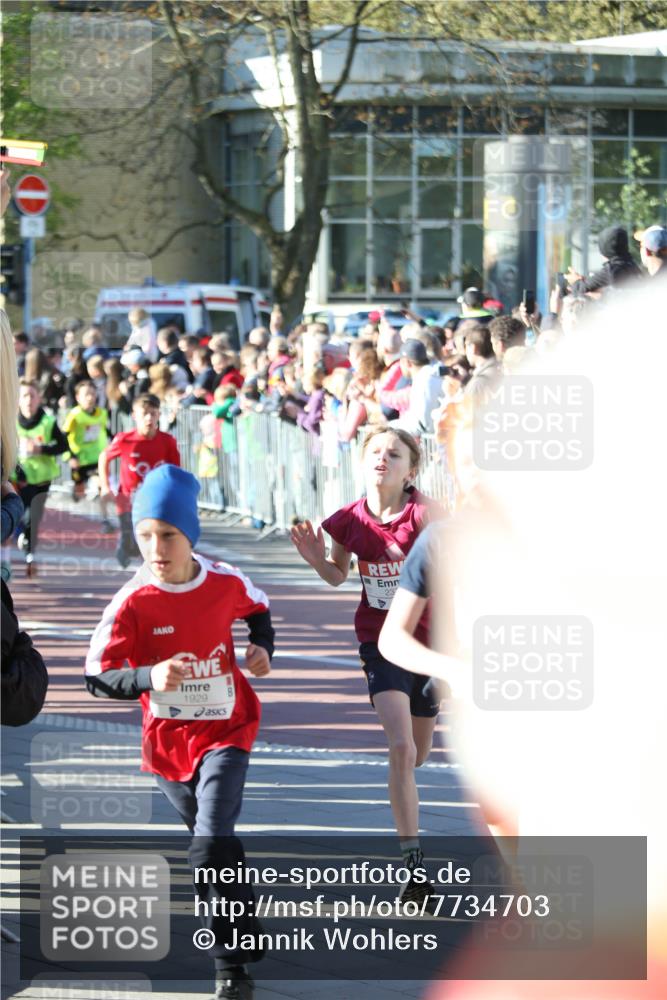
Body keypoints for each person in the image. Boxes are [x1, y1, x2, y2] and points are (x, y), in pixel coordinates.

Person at [85, 464, 274, 1000]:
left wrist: (262, 648)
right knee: (216, 845)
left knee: (208, 843)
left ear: (190, 534)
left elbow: (259, 609)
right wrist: (148, 676)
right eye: (144, 535)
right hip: (170, 745)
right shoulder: (132, 600)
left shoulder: (222, 580)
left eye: (167, 535)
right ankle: (242, 929)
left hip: (228, 729)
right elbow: (96, 674)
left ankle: (227, 967)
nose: (155, 548)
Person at [290, 427, 442, 905]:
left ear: (410, 469)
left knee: (418, 755)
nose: (383, 458)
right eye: (374, 451)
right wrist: (318, 560)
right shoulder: (347, 521)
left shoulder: (427, 516)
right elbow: (338, 575)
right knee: (399, 749)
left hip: (429, 646)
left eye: (393, 453)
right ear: (361, 462)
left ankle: (411, 777)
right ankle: (414, 869)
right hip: (379, 643)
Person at [98, 393, 180, 567]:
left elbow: (175, 471)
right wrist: (105, 486)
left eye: (153, 413)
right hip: (127, 498)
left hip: (155, 499)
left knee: (150, 538)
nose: (149, 418)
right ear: (135, 416)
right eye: (145, 414)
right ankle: (125, 547)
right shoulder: (124, 440)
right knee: (132, 540)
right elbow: (104, 457)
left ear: (159, 414)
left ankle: (150, 572)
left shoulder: (167, 441)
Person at [13, 381, 68, 577]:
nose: (28, 400)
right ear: (18, 399)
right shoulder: (11, 421)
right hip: (19, 479)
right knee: (25, 513)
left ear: (39, 399)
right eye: (25, 396)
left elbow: (63, 446)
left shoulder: (48, 422)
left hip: (42, 479)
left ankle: (29, 552)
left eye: (32, 396)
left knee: (34, 517)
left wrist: (41, 449)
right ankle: (22, 538)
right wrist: (19, 474)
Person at [62, 380, 108, 503]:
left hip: (95, 457)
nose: (90, 398)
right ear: (78, 397)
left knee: (100, 482)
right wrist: (71, 456)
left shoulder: (102, 413)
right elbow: (63, 436)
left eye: (93, 394)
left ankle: (105, 515)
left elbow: (106, 430)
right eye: (86, 394)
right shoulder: (74, 415)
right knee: (80, 490)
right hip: (78, 458)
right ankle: (77, 499)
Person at [566, 224, 641, 293]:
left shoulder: (611, 270)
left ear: (603, 248)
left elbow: (582, 288)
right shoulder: (632, 265)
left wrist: (575, 281)